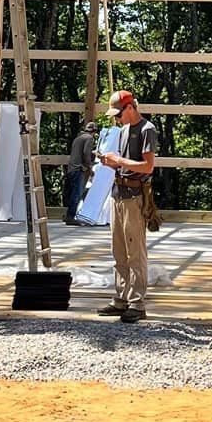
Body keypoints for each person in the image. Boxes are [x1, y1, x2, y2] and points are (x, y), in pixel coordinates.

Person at [97, 89, 157, 322]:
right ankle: (121, 298)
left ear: (130, 108)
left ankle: (137, 302)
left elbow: (147, 166)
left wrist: (118, 160)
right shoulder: (123, 131)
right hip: (118, 193)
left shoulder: (146, 130)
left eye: (118, 114)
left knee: (135, 251)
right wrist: (110, 163)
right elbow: (125, 163)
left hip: (134, 196)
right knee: (119, 250)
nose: (116, 119)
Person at [62, 114, 95, 225]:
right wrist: (90, 166)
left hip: (71, 168)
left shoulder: (78, 138)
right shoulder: (89, 138)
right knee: (77, 193)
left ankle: (68, 215)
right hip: (78, 169)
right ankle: (71, 216)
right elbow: (86, 153)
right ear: (94, 131)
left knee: (72, 193)